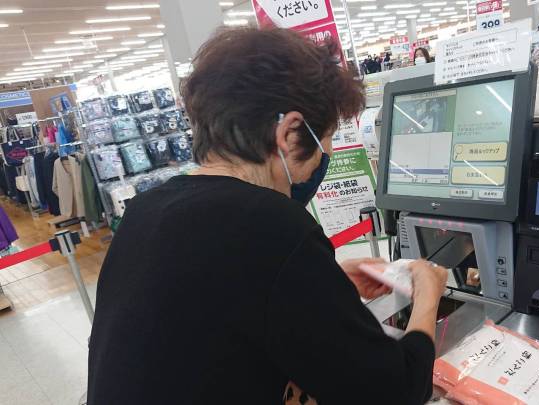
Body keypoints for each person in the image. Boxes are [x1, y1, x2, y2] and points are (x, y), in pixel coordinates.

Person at [87, 27, 448, 405]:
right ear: (291, 133)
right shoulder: (271, 225)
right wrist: (427, 296)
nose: (321, 162)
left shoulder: (145, 211)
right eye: (324, 143)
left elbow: (213, 316)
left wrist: (325, 287)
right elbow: (394, 391)